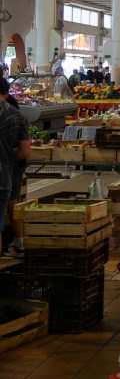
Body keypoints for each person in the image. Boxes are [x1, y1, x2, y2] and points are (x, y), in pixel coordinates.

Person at [0, 77, 31, 256]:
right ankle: (19, 243)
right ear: (6, 93)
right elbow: (25, 152)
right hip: (3, 175)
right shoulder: (17, 115)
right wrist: (6, 155)